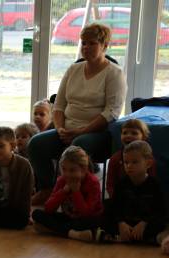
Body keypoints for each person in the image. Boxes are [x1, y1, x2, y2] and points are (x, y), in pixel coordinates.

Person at [29, 23, 126, 205]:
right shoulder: (73, 69)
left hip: (97, 134)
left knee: (77, 145)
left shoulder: (114, 73)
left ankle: (77, 194)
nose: (86, 48)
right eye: (83, 43)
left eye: (92, 43)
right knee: (36, 144)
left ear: (105, 45)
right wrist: (59, 129)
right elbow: (58, 105)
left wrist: (81, 131)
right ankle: (47, 188)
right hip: (66, 131)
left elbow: (111, 112)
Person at [97, 141, 166, 244]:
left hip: (144, 223)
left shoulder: (155, 185)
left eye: (134, 162)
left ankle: (118, 238)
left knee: (160, 223)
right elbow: (115, 207)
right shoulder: (121, 184)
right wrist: (121, 223)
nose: (129, 166)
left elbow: (159, 210)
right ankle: (146, 240)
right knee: (105, 213)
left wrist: (144, 222)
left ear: (148, 163)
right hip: (126, 222)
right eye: (126, 162)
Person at [32, 146, 103, 241]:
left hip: (87, 220)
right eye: (64, 169)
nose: (67, 174)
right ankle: (72, 233)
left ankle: (53, 230)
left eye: (72, 170)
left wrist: (76, 191)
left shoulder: (92, 182)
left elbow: (87, 214)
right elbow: (48, 208)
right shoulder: (62, 180)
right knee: (36, 214)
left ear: (84, 169)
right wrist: (64, 191)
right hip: (69, 218)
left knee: (94, 222)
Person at [105, 119, 156, 198]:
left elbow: (152, 182)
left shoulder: (148, 159)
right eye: (125, 133)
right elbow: (110, 184)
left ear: (144, 137)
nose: (128, 135)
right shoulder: (115, 158)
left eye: (134, 133)